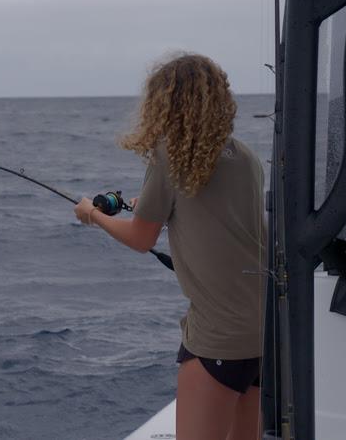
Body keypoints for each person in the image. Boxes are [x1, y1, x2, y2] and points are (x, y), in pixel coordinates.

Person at [73, 53, 266, 440]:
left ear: (165, 104)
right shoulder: (245, 157)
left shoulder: (168, 159)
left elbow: (141, 239)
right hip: (264, 331)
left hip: (218, 337)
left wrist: (92, 215)